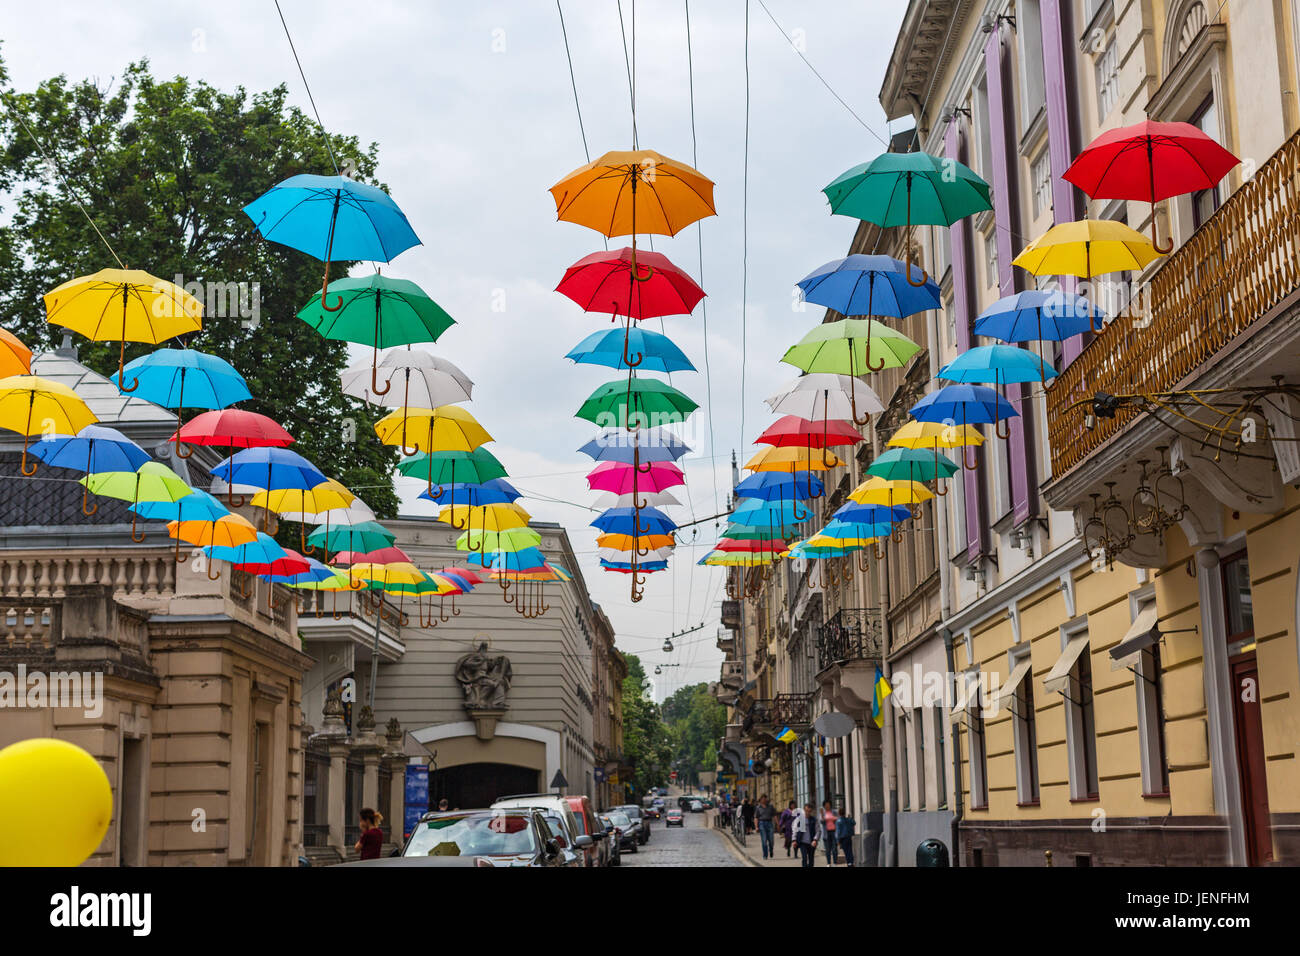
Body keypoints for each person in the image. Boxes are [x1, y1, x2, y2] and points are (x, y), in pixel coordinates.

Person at [791, 802, 821, 867]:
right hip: (802, 842)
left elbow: (818, 830)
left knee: (811, 859)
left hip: (811, 843)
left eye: (809, 811)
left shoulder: (814, 820)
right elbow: (794, 830)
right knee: (804, 858)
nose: (807, 813)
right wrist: (794, 840)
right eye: (806, 811)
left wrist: (815, 840)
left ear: (811, 811)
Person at [754, 794, 776, 859]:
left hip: (769, 823)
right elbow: (756, 818)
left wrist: (778, 824)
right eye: (762, 799)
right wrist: (756, 827)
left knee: (771, 840)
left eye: (765, 798)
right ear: (760, 800)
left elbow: (774, 815)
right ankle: (765, 855)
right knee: (764, 840)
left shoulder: (771, 807)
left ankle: (771, 850)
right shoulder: (758, 808)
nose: (764, 800)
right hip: (762, 824)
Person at [821, 800, 839, 865]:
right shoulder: (823, 813)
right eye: (826, 805)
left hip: (834, 832)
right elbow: (822, 822)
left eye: (828, 804)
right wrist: (822, 815)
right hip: (826, 833)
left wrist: (834, 818)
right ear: (824, 806)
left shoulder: (834, 812)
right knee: (828, 850)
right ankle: (828, 863)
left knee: (834, 849)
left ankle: (835, 862)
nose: (827, 806)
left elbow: (838, 819)